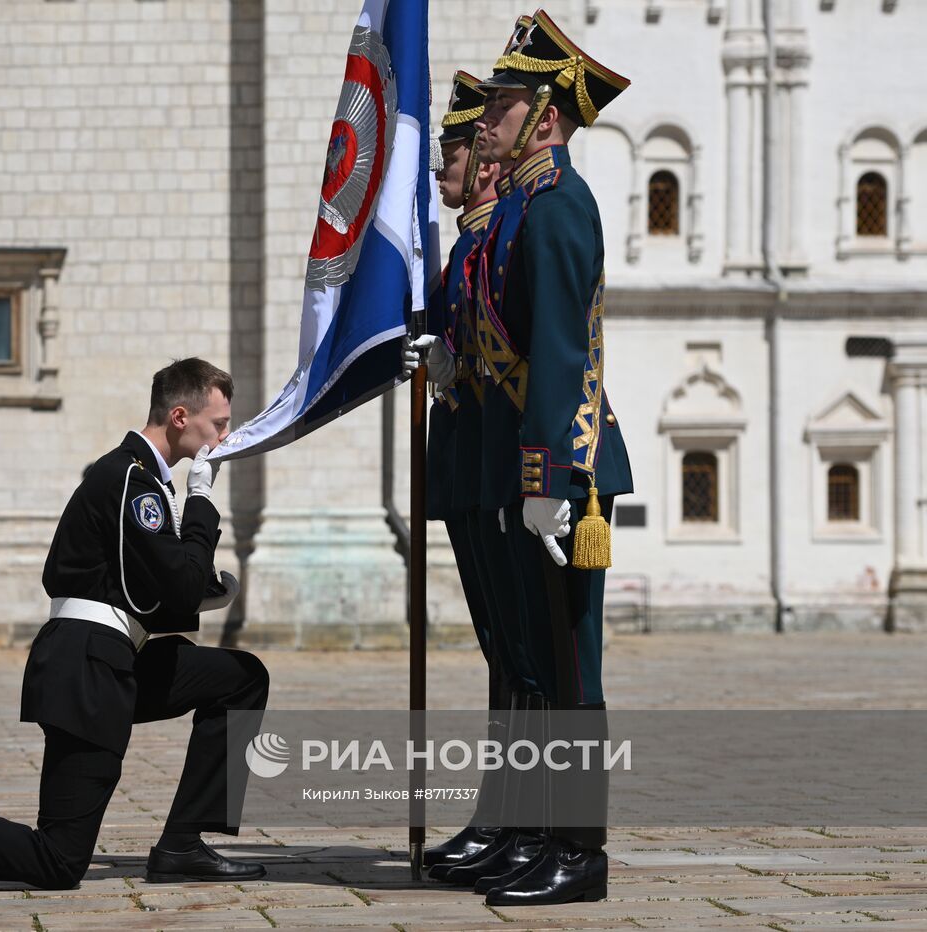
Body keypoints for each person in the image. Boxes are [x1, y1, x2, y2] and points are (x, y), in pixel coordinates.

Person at [0, 358, 270, 892]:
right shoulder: (135, 480)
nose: (224, 436)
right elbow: (171, 584)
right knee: (58, 860)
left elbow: (148, 590)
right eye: (218, 424)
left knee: (240, 676)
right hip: (86, 669)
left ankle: (182, 844)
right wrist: (201, 501)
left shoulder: (138, 478)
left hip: (111, 658)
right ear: (180, 416)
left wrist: (203, 589)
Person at [450, 9, 635, 907]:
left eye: (508, 104)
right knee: (529, 662)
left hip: (566, 473)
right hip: (528, 465)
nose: (490, 119)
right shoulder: (521, 204)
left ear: (548, 116)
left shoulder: (561, 206)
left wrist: (548, 481)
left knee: (567, 669)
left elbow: (564, 350)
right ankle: (533, 831)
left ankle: (579, 848)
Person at [403, 67, 528, 872]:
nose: (443, 171)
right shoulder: (472, 243)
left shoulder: (513, 233)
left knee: (539, 668)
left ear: (484, 162)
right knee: (506, 658)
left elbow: (542, 353)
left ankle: (553, 836)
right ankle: (509, 822)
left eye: (449, 157)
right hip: (474, 473)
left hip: (515, 475)